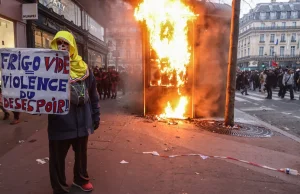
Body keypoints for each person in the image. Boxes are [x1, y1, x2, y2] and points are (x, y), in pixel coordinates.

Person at [49, 31, 100, 194]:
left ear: (72, 46)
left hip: (82, 121)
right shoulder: (48, 67)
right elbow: (39, 92)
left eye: (66, 43)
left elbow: (93, 94)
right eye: (59, 43)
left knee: (81, 154)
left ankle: (81, 180)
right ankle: (60, 187)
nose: (62, 46)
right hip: (60, 122)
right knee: (57, 158)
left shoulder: (84, 68)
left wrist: (95, 115)